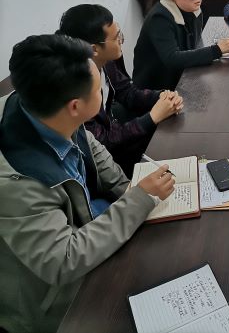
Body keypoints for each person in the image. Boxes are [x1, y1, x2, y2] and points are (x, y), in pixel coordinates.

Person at [0, 34, 175, 333]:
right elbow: (63, 260)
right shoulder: (16, 183)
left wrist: (130, 190)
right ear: (75, 106)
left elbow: (96, 153)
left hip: (89, 227)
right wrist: (139, 199)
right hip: (55, 301)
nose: (102, 92)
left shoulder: (44, 107)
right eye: (97, 89)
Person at [58, 4, 184, 177]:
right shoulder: (75, 88)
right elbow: (103, 141)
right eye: (117, 37)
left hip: (116, 136)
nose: (121, 40)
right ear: (94, 49)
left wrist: (161, 96)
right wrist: (152, 117)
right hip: (98, 163)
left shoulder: (107, 59)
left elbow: (127, 92)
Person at [133, 0, 229, 90]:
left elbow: (194, 45)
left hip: (182, 77)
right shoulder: (159, 18)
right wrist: (216, 50)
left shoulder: (193, 9)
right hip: (155, 90)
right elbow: (172, 59)